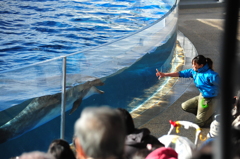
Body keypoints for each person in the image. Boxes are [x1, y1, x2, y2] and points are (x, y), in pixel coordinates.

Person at [156, 55, 220, 127]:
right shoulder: (194, 71)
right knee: (185, 106)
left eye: (195, 65)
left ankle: (210, 118)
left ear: (201, 65)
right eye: (192, 64)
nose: (192, 66)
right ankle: (205, 115)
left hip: (210, 99)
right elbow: (180, 73)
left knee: (198, 124)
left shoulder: (211, 75)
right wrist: (164, 74)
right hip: (202, 96)